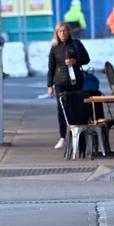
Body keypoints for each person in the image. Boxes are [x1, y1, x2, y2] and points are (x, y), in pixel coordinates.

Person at [46, 21, 91, 150]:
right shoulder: (54, 48)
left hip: (76, 82)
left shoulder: (76, 44)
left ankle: (79, 137)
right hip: (60, 82)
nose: (62, 34)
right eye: (60, 31)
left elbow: (87, 59)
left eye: (64, 31)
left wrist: (75, 61)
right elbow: (51, 68)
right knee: (62, 110)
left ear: (69, 32)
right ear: (57, 34)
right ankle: (62, 137)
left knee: (77, 109)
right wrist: (50, 86)